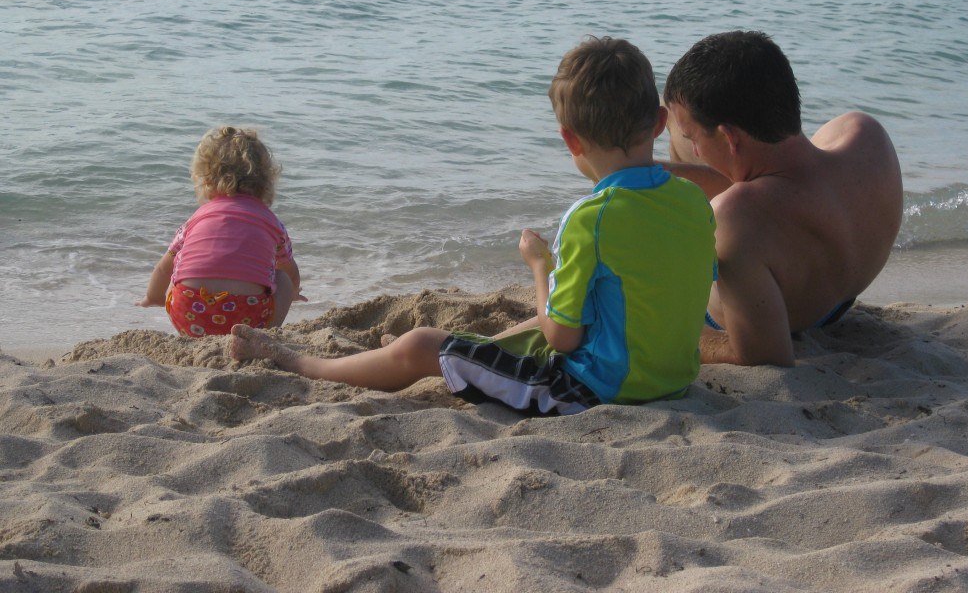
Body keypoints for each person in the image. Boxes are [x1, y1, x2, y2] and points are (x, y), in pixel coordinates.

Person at [230, 37, 717, 415]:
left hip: (591, 393)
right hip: (670, 380)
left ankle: (300, 363)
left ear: (569, 140)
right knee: (532, 325)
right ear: (657, 123)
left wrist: (539, 266)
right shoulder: (694, 201)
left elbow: (561, 339)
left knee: (425, 342)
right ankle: (419, 354)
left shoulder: (591, 218)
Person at [661, 30, 903, 367]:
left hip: (778, 314)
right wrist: (658, 171)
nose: (696, 150)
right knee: (679, 116)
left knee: (675, 121)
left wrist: (656, 332)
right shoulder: (865, 135)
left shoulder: (733, 220)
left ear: (730, 138)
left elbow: (762, 354)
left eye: (695, 140)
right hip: (838, 294)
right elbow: (778, 186)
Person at [136, 126, 305, 337]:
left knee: (180, 262)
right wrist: (293, 293)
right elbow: (290, 270)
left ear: (205, 179)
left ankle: (191, 332)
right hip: (249, 318)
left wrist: (152, 297)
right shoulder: (273, 224)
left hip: (189, 313)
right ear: (266, 181)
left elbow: (163, 268)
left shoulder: (196, 219)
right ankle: (265, 335)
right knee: (283, 280)